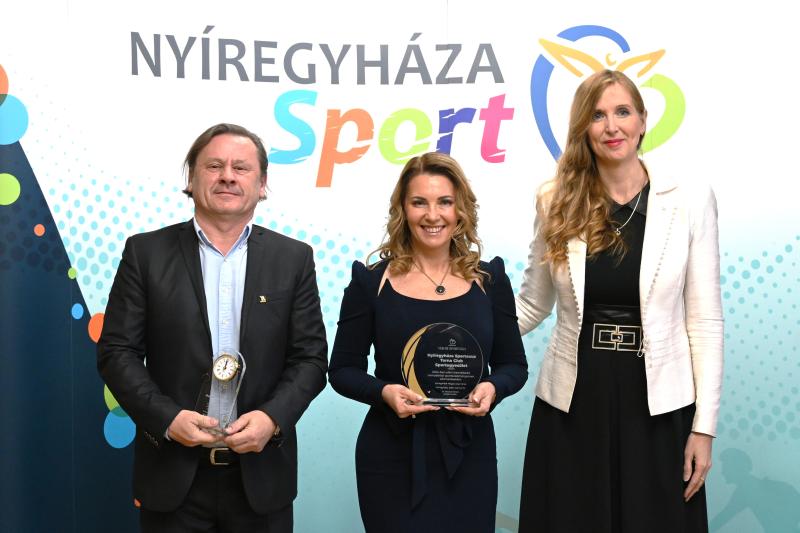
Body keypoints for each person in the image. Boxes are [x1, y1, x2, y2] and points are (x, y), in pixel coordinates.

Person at [516, 70, 723, 532]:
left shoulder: (690, 198)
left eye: (622, 112)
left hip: (659, 402)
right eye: (597, 115)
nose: (611, 126)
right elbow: (531, 306)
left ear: (643, 121)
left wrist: (703, 428)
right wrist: (460, 326)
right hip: (574, 399)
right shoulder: (555, 200)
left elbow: (705, 322)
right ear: (583, 128)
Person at [97, 123, 328, 532]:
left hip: (261, 477)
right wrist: (168, 418)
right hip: (173, 476)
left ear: (262, 184)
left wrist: (272, 419)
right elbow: (117, 353)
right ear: (191, 178)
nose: (227, 176)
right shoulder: (145, 253)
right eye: (214, 166)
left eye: (241, 168)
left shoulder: (293, 258)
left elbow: (310, 359)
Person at [328, 152, 528, 533]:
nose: (432, 215)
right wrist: (384, 392)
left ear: (460, 209)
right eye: (419, 202)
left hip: (470, 454)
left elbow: (514, 366)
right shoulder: (371, 282)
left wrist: (493, 387)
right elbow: (341, 370)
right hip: (390, 456)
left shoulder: (490, 281)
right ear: (403, 209)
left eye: (444, 202)